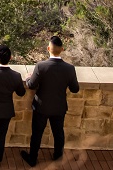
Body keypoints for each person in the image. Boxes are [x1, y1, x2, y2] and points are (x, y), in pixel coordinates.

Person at [20, 36, 79, 167]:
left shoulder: (41, 66)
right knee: (58, 133)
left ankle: (32, 158)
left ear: (48, 49)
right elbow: (75, 89)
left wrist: (28, 77)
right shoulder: (69, 69)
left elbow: (31, 85)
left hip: (41, 107)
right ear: (62, 49)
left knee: (37, 133)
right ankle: (58, 157)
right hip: (59, 107)